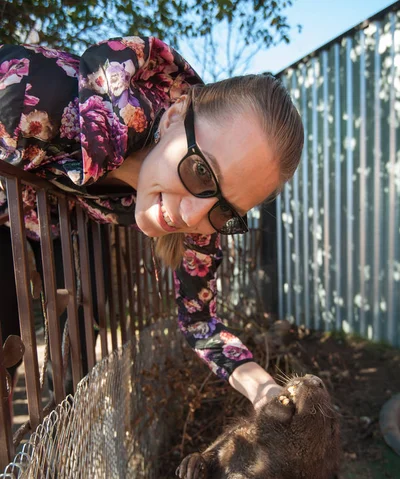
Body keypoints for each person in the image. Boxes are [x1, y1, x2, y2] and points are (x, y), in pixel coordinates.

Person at [0, 36, 304, 410]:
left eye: (225, 210)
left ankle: (58, 427)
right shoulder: (27, 89)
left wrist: (265, 391)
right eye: (201, 171)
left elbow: (200, 324)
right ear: (176, 115)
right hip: (10, 214)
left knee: (79, 336)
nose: (193, 217)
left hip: (53, 227)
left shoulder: (200, 216)